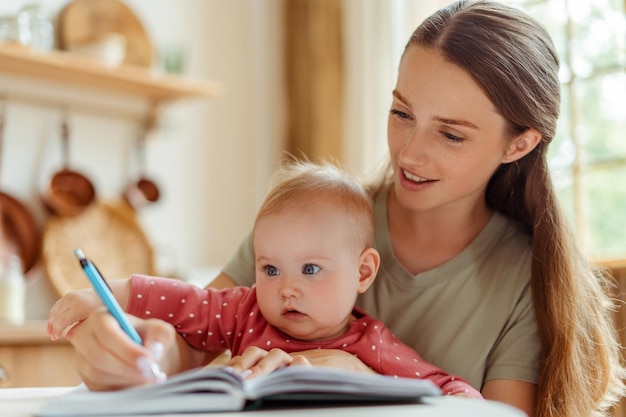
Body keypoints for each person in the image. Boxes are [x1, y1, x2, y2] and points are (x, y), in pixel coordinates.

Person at [47, 1, 625, 416]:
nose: (410, 152)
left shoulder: (523, 278)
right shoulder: (310, 219)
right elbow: (201, 335)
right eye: (402, 114)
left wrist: (365, 380)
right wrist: (140, 349)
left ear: (518, 144)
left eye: (451, 135)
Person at [48, 160, 483, 398]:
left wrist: (462, 397)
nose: (285, 288)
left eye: (310, 269)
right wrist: (102, 296)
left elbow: (440, 386)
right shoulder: (246, 311)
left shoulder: (370, 343)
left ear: (363, 272)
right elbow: (181, 301)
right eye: (270, 269)